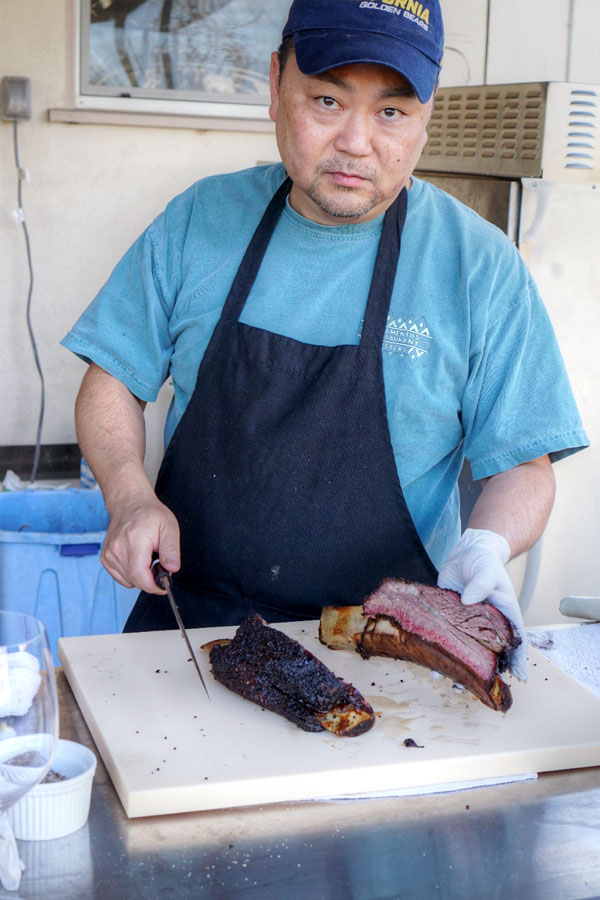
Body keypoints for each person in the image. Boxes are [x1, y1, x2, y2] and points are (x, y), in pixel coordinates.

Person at [62, 0, 588, 680]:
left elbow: (523, 461)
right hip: (185, 630)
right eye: (327, 101)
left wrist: (487, 543)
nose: (357, 143)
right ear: (276, 85)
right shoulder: (201, 219)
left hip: (387, 648)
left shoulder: (477, 266)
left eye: (392, 112)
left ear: (428, 116)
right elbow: (113, 374)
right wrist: (129, 494)